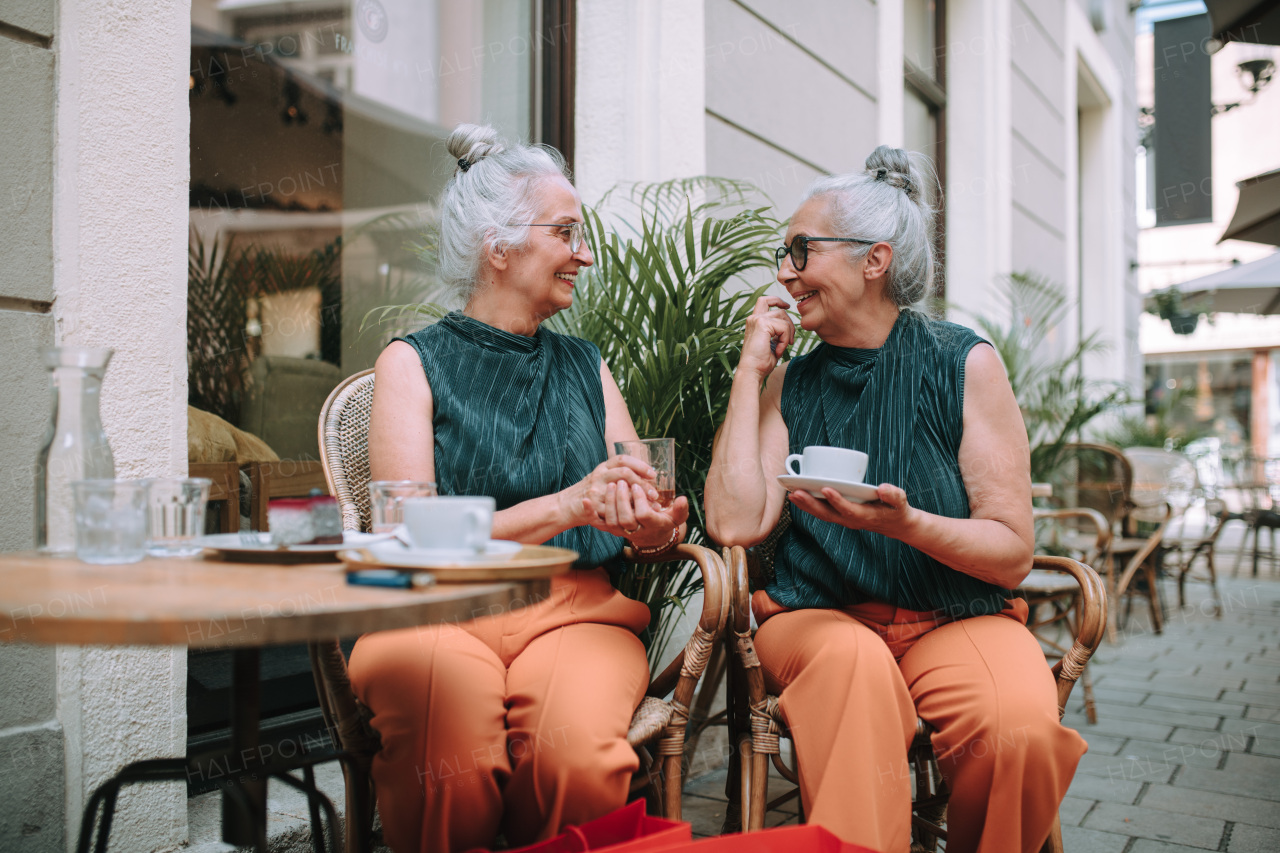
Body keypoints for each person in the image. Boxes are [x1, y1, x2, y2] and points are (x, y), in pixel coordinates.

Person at [705, 146, 1086, 853]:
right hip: (820, 617)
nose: (784, 271)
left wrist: (909, 524)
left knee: (1020, 728)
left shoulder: (963, 363)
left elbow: (1011, 552)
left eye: (800, 250)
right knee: (855, 677)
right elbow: (733, 520)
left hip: (955, 612)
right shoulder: (793, 382)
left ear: (873, 260)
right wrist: (751, 371)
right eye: (782, 253)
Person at [348, 124, 689, 853]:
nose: (586, 253)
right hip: (440, 608)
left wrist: (653, 526)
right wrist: (567, 504)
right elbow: (408, 530)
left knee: (575, 759)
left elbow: (637, 501)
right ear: (497, 246)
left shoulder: (586, 364)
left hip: (576, 611)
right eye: (567, 232)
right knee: (450, 760)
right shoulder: (412, 363)